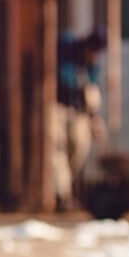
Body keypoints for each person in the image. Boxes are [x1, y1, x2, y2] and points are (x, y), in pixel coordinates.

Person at [51, 26, 107, 211]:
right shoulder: (66, 46)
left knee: (79, 147)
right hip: (57, 105)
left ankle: (63, 188)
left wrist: (95, 119)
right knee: (57, 149)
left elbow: (90, 92)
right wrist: (78, 81)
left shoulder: (91, 65)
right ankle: (62, 195)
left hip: (78, 110)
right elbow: (60, 74)